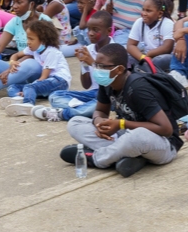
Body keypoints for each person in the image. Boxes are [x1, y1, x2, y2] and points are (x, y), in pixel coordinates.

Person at [59, 43, 181, 178]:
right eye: (96, 65)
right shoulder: (107, 82)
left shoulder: (138, 88)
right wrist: (99, 122)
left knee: (138, 136)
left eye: (102, 67)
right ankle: (127, 157)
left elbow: (166, 129)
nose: (97, 70)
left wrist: (121, 124)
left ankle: (97, 159)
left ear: (119, 69)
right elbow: (100, 111)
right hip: (126, 136)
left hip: (161, 143)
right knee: (75, 123)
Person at [36, 11, 113, 122]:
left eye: (95, 30)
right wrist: (83, 63)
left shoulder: (115, 50)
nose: (90, 33)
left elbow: (110, 82)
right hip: (92, 93)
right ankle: (84, 108)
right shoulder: (89, 49)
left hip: (108, 96)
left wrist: (92, 62)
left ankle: (63, 113)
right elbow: (86, 85)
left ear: (108, 31)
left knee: (100, 104)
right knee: (55, 96)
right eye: (89, 29)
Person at [0, 20, 71, 114]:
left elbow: (44, 77)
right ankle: (19, 99)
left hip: (60, 82)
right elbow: (15, 55)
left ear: (43, 39)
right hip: (46, 84)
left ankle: (28, 104)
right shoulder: (34, 49)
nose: (28, 42)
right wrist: (12, 62)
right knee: (12, 87)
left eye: (31, 39)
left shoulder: (51, 52)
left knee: (29, 87)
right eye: (27, 38)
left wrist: (29, 88)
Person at [126, 0, 176, 72]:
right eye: (143, 9)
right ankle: (146, 70)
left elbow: (167, 48)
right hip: (145, 57)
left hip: (162, 56)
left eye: (148, 11)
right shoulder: (139, 22)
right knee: (126, 57)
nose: (144, 13)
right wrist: (143, 58)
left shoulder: (167, 23)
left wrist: (149, 55)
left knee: (158, 61)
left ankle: (143, 70)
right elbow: (130, 45)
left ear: (159, 14)